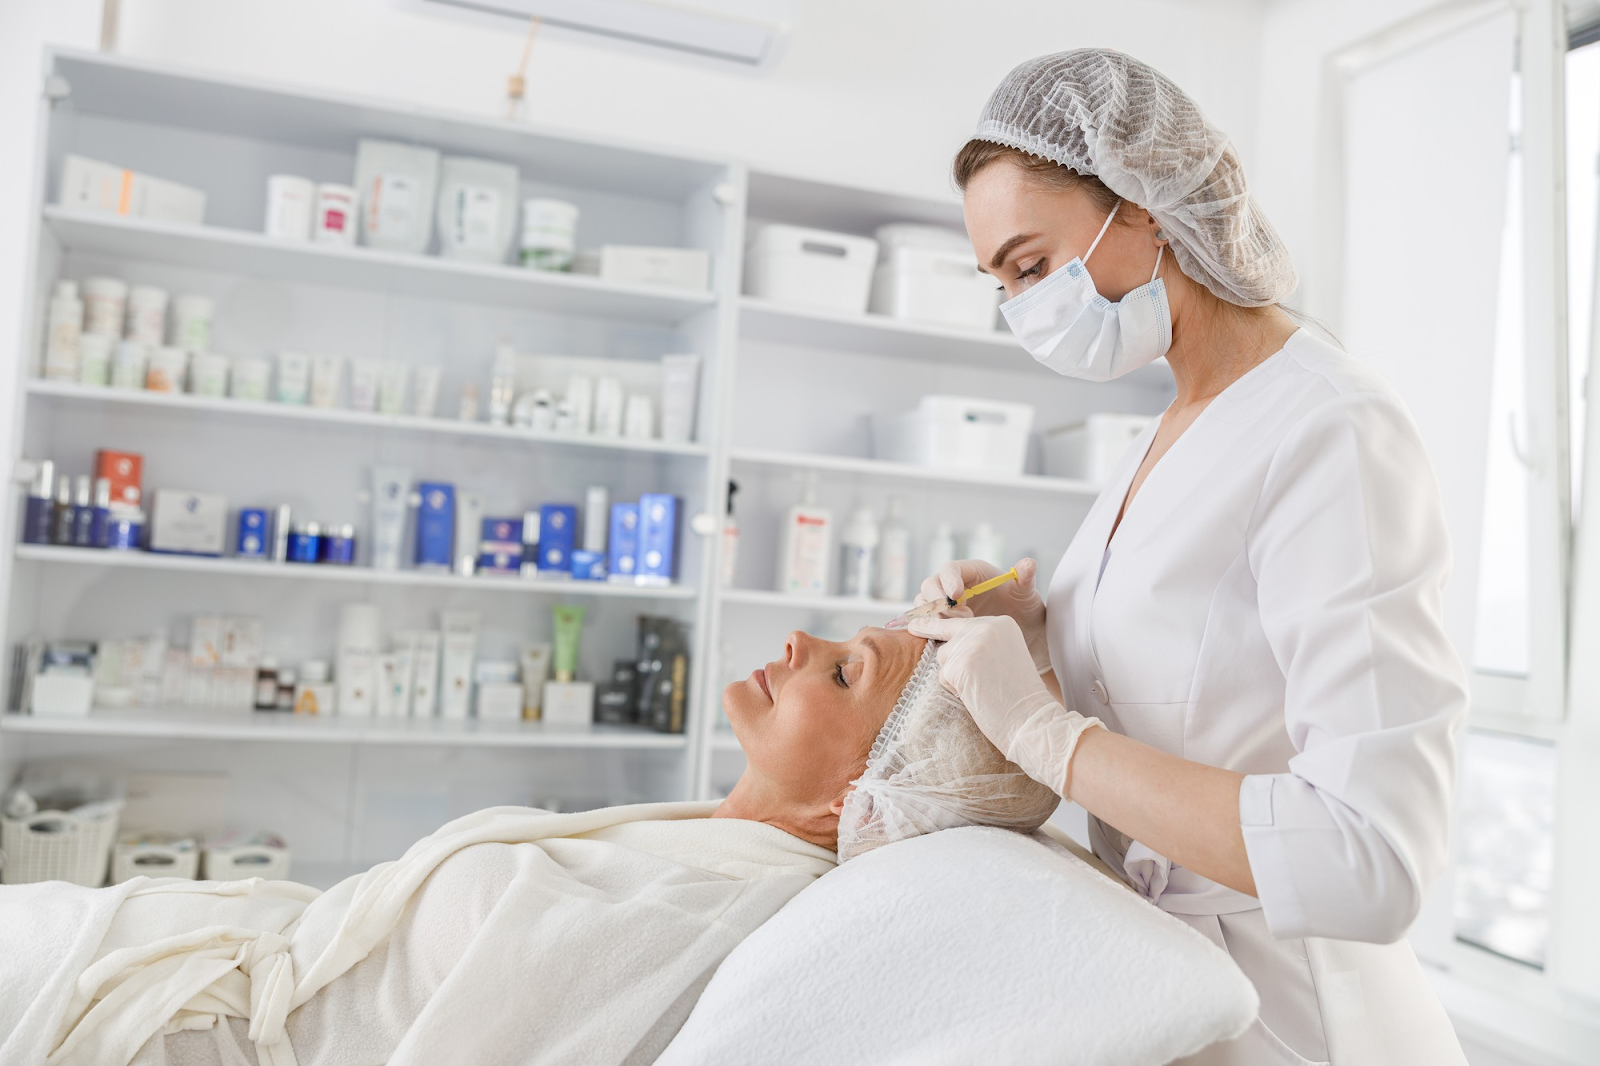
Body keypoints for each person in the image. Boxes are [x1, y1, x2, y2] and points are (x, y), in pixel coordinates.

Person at [909, 48, 1469, 1065]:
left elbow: (1369, 859)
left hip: (1301, 1017)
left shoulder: (1328, 428)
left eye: (1031, 267)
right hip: (1170, 992)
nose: (1020, 308)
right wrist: (1033, 631)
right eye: (998, 282)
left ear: (1145, 204)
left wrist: (1044, 730)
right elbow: (1175, 681)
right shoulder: (1168, 426)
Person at [9, 627, 1057, 1066]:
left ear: (861, 794)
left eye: (841, 672)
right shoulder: (709, 836)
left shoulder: (691, 918)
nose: (797, 642)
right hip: (166, 946)